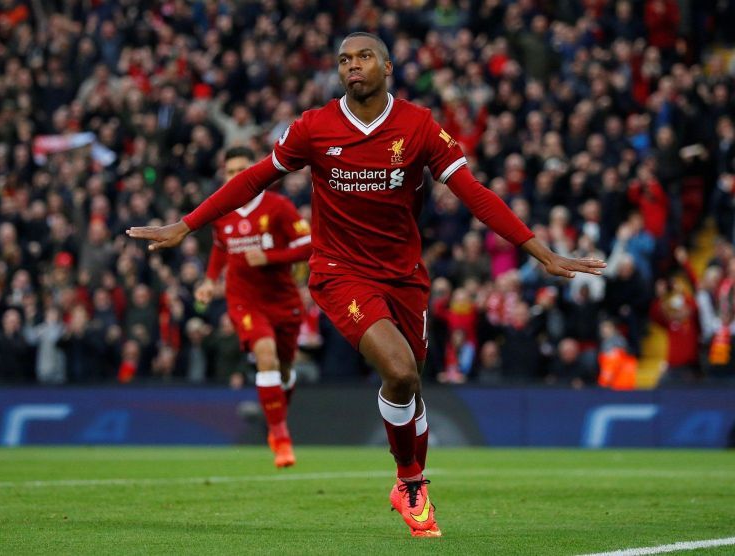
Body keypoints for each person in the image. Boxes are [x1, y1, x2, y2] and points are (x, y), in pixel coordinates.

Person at [127, 32, 605, 538]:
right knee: (399, 372)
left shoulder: (419, 127)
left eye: (363, 57)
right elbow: (253, 180)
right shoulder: (313, 127)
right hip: (338, 272)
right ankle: (411, 483)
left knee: (411, 387)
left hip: (404, 277)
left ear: (389, 66)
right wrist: (188, 224)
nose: (352, 66)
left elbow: (475, 195)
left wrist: (540, 252)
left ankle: (411, 481)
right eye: (343, 60)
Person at [194, 146, 313, 468]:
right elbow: (221, 248)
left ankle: (276, 418)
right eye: (230, 171)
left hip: (282, 298)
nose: (236, 176)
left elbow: (309, 245)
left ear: (256, 171)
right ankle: (280, 436)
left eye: (242, 169)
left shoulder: (279, 207)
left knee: (284, 369)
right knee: (265, 355)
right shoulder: (222, 211)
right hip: (243, 299)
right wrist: (208, 280)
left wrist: (270, 257)